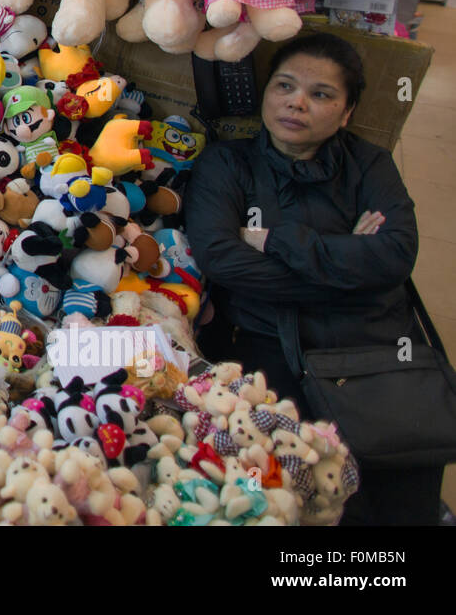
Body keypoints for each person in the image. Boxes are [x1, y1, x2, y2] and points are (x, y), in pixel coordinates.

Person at [184, 32, 441, 526]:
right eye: (284, 86)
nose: (296, 102)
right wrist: (352, 264)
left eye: (321, 94)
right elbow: (222, 259)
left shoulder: (369, 164)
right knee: (297, 498)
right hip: (270, 350)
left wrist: (278, 240)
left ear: (346, 113)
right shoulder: (228, 163)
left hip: (375, 352)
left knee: (403, 501)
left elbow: (394, 255)